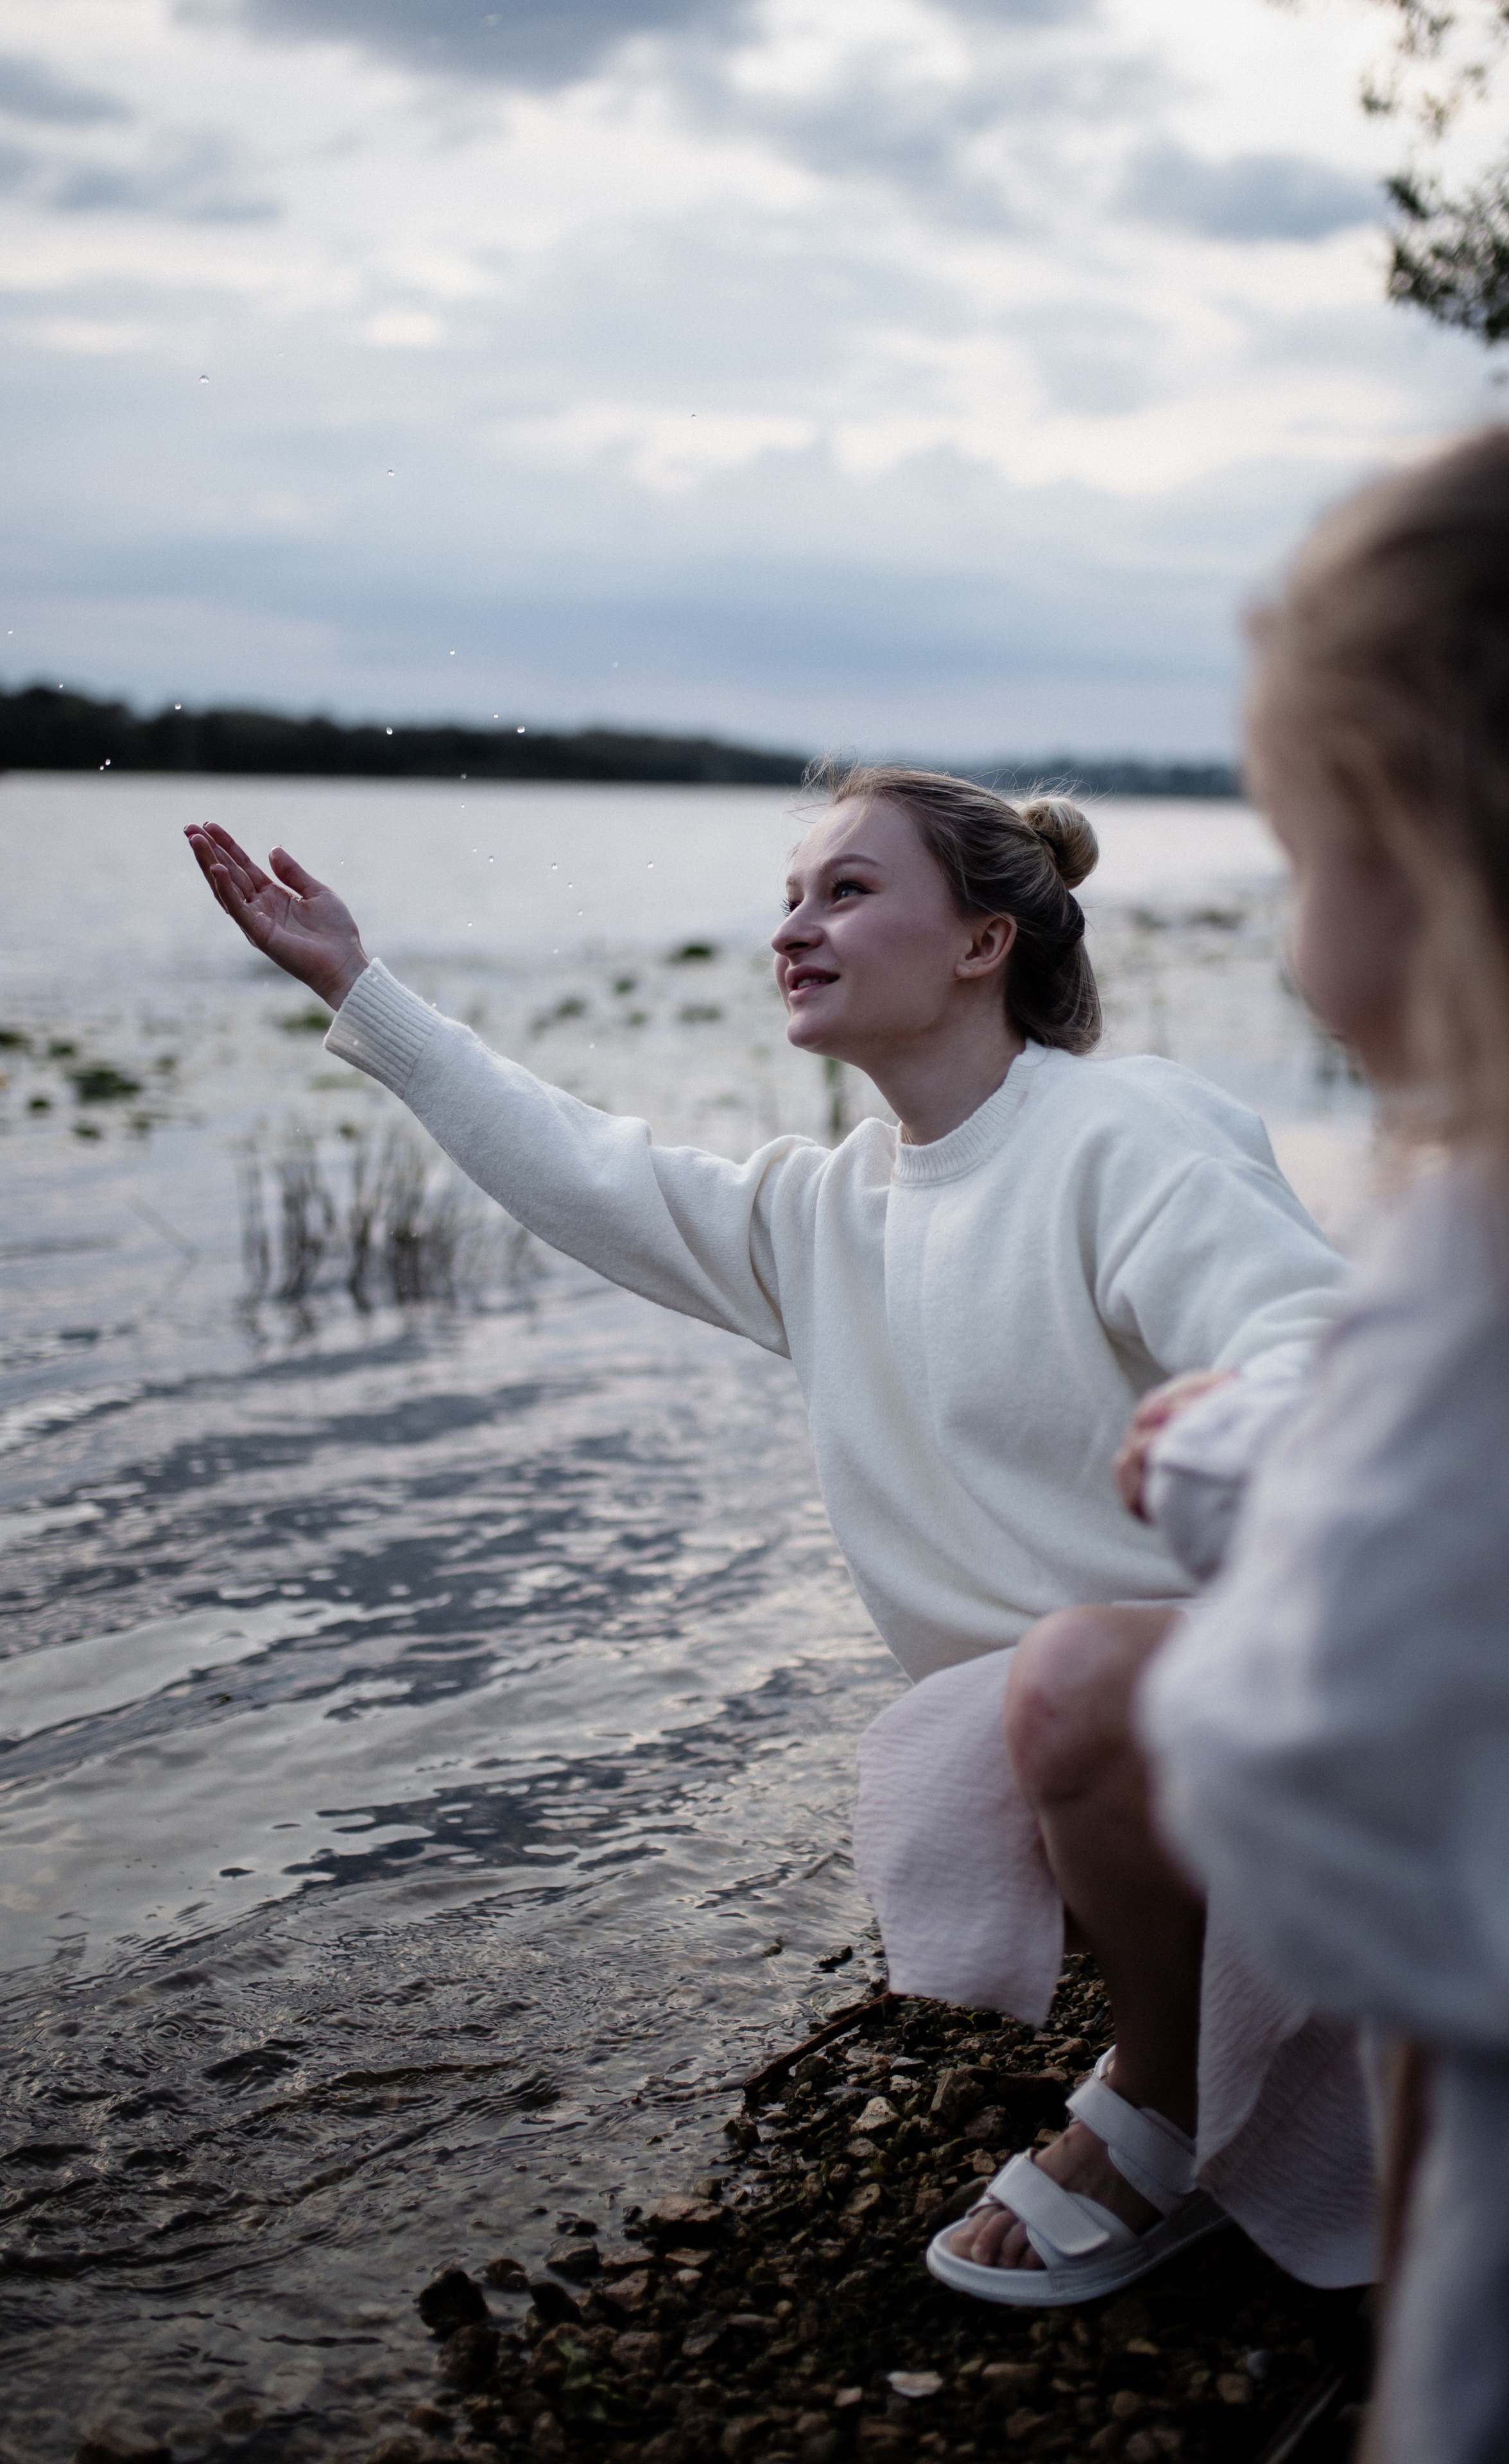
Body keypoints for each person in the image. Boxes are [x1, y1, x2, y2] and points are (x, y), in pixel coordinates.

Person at [185, 762, 1347, 2291]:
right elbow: (586, 1169)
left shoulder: (1121, 1130)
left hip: (1307, 1690)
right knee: (1002, 1720)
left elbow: (1310, 1338)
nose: (792, 929)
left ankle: (1164, 2101)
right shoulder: (826, 1208)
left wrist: (1238, 1422)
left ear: (982, 942)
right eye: (787, 898)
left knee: (1061, 1681)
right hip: (1085, 1738)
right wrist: (361, 988)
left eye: (845, 893)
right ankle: (1192, 1986)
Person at [1126, 418, 1509, 2461]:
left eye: (1299, 855)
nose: (1287, 938)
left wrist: (1214, 1486)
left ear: (1446, 862)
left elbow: (1306, 1780)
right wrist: (1298, 1446)